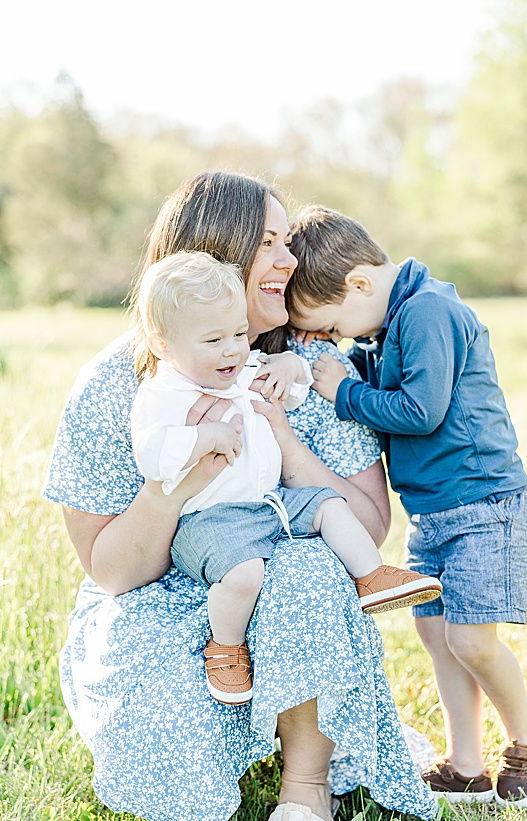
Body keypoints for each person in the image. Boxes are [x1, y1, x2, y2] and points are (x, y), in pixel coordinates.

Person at [43, 172, 438, 821]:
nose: (292, 260)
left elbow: (365, 527)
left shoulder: (305, 367)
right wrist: (181, 482)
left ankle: (307, 785)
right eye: (271, 243)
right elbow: (112, 570)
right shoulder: (119, 384)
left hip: (288, 584)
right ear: (213, 255)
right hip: (157, 590)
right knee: (161, 744)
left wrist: (282, 435)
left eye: (289, 242)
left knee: (308, 566)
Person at [284, 205, 527, 807]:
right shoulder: (395, 317)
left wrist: (343, 391)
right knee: (435, 633)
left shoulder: (428, 312)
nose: (339, 339)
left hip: (483, 503)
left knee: (473, 640)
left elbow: (420, 411)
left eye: (335, 326)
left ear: (360, 284)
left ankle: (524, 739)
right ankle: (465, 764)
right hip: (436, 509)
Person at [129, 251, 442, 705]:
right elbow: (152, 456)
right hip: (211, 521)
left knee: (328, 505)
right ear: (164, 346)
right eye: (213, 340)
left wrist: (290, 368)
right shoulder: (163, 395)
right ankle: (226, 648)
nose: (232, 349)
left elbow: (293, 391)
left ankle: (371, 577)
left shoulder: (240, 370)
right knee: (244, 575)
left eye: (238, 334)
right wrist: (204, 436)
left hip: (271, 503)